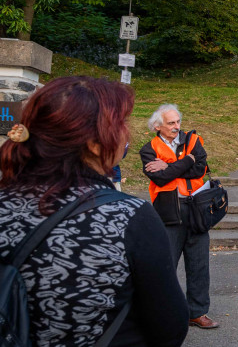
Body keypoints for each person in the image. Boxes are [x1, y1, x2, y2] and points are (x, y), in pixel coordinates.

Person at [0, 76, 188, 347]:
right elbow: (170, 328)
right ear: (93, 143)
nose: (127, 134)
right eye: (121, 124)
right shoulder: (128, 217)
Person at [140, 104, 219, 330]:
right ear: (158, 126)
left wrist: (170, 165)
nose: (176, 127)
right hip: (167, 211)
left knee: (199, 264)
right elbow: (161, 179)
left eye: (178, 122)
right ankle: (162, 313)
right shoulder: (148, 149)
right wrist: (187, 161)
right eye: (171, 123)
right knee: (165, 265)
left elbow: (200, 169)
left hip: (197, 208)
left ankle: (197, 312)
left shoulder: (194, 141)